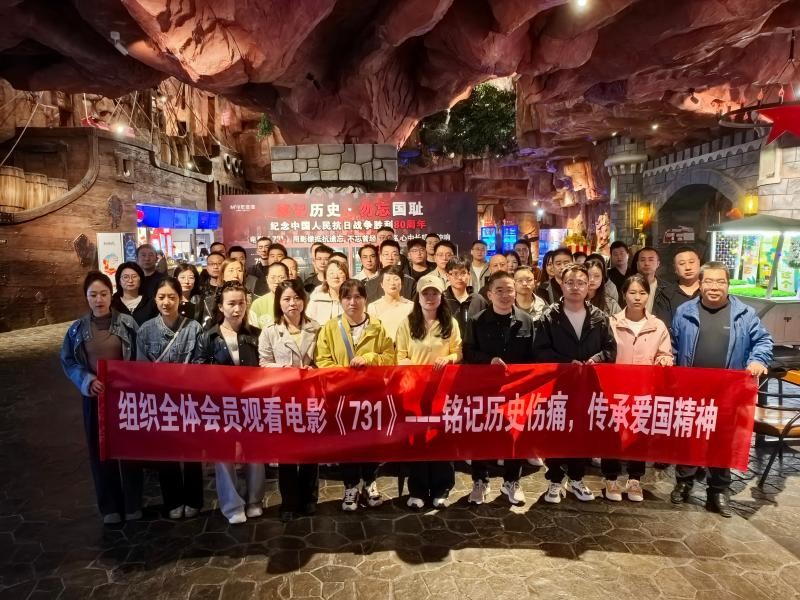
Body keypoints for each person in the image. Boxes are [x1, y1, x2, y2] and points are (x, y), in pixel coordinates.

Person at [670, 262, 772, 517]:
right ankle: (684, 482)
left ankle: (718, 490)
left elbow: (763, 340)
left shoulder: (744, 314)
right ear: (700, 284)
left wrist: (758, 359)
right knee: (688, 437)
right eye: (709, 281)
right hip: (691, 389)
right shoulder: (684, 312)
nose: (714, 287)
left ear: (728, 284)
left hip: (728, 392)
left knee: (722, 440)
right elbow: (672, 344)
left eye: (720, 281)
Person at [61, 271, 142, 524]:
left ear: (111, 294)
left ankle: (132, 503)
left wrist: (131, 380)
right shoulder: (77, 329)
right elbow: (68, 360)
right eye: (93, 294)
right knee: (100, 451)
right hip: (95, 398)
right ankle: (110, 507)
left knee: (129, 450)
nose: (99, 299)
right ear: (86, 297)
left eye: (104, 294)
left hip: (125, 398)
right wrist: (87, 380)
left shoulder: (127, 324)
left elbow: (140, 356)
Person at [533, 263, 617, 504]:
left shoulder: (599, 317)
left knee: (581, 433)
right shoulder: (549, 316)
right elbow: (539, 351)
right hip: (557, 387)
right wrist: (565, 363)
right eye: (570, 282)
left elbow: (611, 349)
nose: (575, 287)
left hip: (587, 387)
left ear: (589, 285)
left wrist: (596, 359)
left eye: (581, 283)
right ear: (561, 284)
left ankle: (577, 479)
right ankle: (554, 480)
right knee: (556, 433)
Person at [314, 279, 396, 511]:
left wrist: (369, 359)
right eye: (347, 297)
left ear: (365, 300)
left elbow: (389, 358)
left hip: (371, 397)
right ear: (340, 301)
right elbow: (322, 360)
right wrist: (344, 374)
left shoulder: (377, 327)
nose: (353, 302)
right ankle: (350, 486)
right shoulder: (330, 328)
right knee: (347, 443)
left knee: (371, 442)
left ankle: (370, 483)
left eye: (358, 297)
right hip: (343, 397)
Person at [464, 271, 536, 506]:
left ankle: (512, 481)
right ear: (489, 294)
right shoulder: (477, 321)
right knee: (481, 435)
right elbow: (468, 352)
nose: (505, 295)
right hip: (485, 390)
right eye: (499, 290)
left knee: (515, 435)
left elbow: (533, 357)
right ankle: (480, 480)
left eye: (509, 290)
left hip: (517, 391)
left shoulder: (526, 320)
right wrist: (489, 361)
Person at [196, 281, 265, 524]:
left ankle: (255, 500)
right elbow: (199, 370)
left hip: (251, 403)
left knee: (255, 452)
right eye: (231, 304)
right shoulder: (208, 337)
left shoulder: (256, 334)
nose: (237, 309)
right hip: (220, 405)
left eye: (241, 303)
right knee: (223, 456)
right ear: (220, 306)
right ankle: (232, 504)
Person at [136, 277, 205, 519]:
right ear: (154, 299)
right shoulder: (145, 330)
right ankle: (173, 500)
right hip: (160, 401)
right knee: (167, 452)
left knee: (193, 451)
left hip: (189, 399)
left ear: (180, 299)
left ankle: (194, 499)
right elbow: (141, 368)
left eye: (172, 297)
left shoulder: (193, 328)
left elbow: (200, 362)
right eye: (161, 297)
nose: (166, 302)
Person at [602, 274, 673, 503]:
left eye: (642, 293)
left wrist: (664, 359)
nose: (637, 297)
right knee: (612, 434)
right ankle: (611, 478)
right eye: (632, 292)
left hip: (644, 391)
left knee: (639, 435)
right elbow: (604, 352)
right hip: (615, 391)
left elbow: (665, 353)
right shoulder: (611, 322)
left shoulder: (657, 326)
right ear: (624, 295)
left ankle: (634, 479)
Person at [396, 274, 462, 509]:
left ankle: (442, 488)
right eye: (426, 293)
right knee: (417, 440)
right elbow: (400, 356)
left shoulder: (450, 323)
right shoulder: (407, 323)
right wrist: (413, 368)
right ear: (418, 296)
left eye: (435, 293)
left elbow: (458, 352)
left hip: (443, 391)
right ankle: (418, 490)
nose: (430, 297)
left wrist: (449, 358)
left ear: (441, 296)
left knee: (441, 439)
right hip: (415, 391)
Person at [259, 280, 322, 521]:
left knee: (310, 450)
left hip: (310, 396)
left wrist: (313, 369)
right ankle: (289, 502)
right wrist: (285, 370)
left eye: (296, 298)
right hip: (283, 398)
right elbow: (264, 363)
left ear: (303, 300)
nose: (292, 303)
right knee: (286, 453)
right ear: (279, 302)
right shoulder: (270, 331)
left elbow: (323, 358)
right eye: (286, 299)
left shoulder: (316, 328)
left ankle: (309, 498)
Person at [368, 265, 414, 341]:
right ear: (381, 285)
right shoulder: (373, 307)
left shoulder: (411, 306)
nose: (392, 283)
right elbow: (372, 335)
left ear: (402, 283)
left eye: (396, 279)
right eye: (388, 280)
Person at [630, 247, 672, 327]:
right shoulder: (628, 286)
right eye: (642, 260)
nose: (646, 263)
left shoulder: (666, 289)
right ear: (637, 264)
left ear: (658, 263)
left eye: (651, 260)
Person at [443, 257, 485, 336]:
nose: (459, 278)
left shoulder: (478, 300)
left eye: (463, 273)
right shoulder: (442, 300)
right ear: (448, 275)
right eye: (455, 273)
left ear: (469, 274)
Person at [248, 262, 289, 328]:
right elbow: (253, 331)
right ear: (267, 279)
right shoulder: (257, 304)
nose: (277, 281)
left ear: (288, 279)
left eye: (281, 277)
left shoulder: (294, 302)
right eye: (273, 277)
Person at [306, 260, 348, 325]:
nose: (336, 276)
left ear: (346, 277)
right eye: (331, 273)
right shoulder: (317, 298)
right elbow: (308, 323)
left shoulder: (352, 299)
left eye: (340, 273)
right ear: (325, 278)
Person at [667, 246, 702, 316]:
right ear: (675, 268)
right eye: (682, 264)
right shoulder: (666, 294)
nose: (688, 267)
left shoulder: (708, 290)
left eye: (691, 262)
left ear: (699, 263)